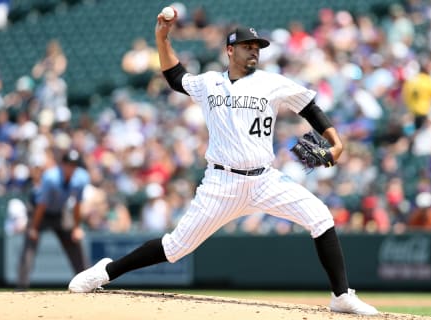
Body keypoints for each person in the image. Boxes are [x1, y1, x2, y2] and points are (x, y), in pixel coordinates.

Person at [68, 10, 378, 316]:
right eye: (247, 46)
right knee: (176, 248)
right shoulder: (209, 83)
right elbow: (176, 77)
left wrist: (335, 141)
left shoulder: (271, 82)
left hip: (264, 180)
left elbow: (308, 106)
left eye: (257, 47)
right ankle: (107, 271)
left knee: (320, 217)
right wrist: (162, 38)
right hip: (222, 183)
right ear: (230, 50)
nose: (254, 50)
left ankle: (341, 296)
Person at [17, 149, 90, 290]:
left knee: (75, 242)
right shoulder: (51, 177)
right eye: (68, 164)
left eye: (74, 165)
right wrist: (33, 228)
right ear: (62, 164)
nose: (71, 168)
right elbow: (41, 205)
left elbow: (77, 205)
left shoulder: (81, 178)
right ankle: (21, 287)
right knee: (29, 245)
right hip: (39, 212)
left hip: (59, 212)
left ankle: (86, 283)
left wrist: (76, 227)